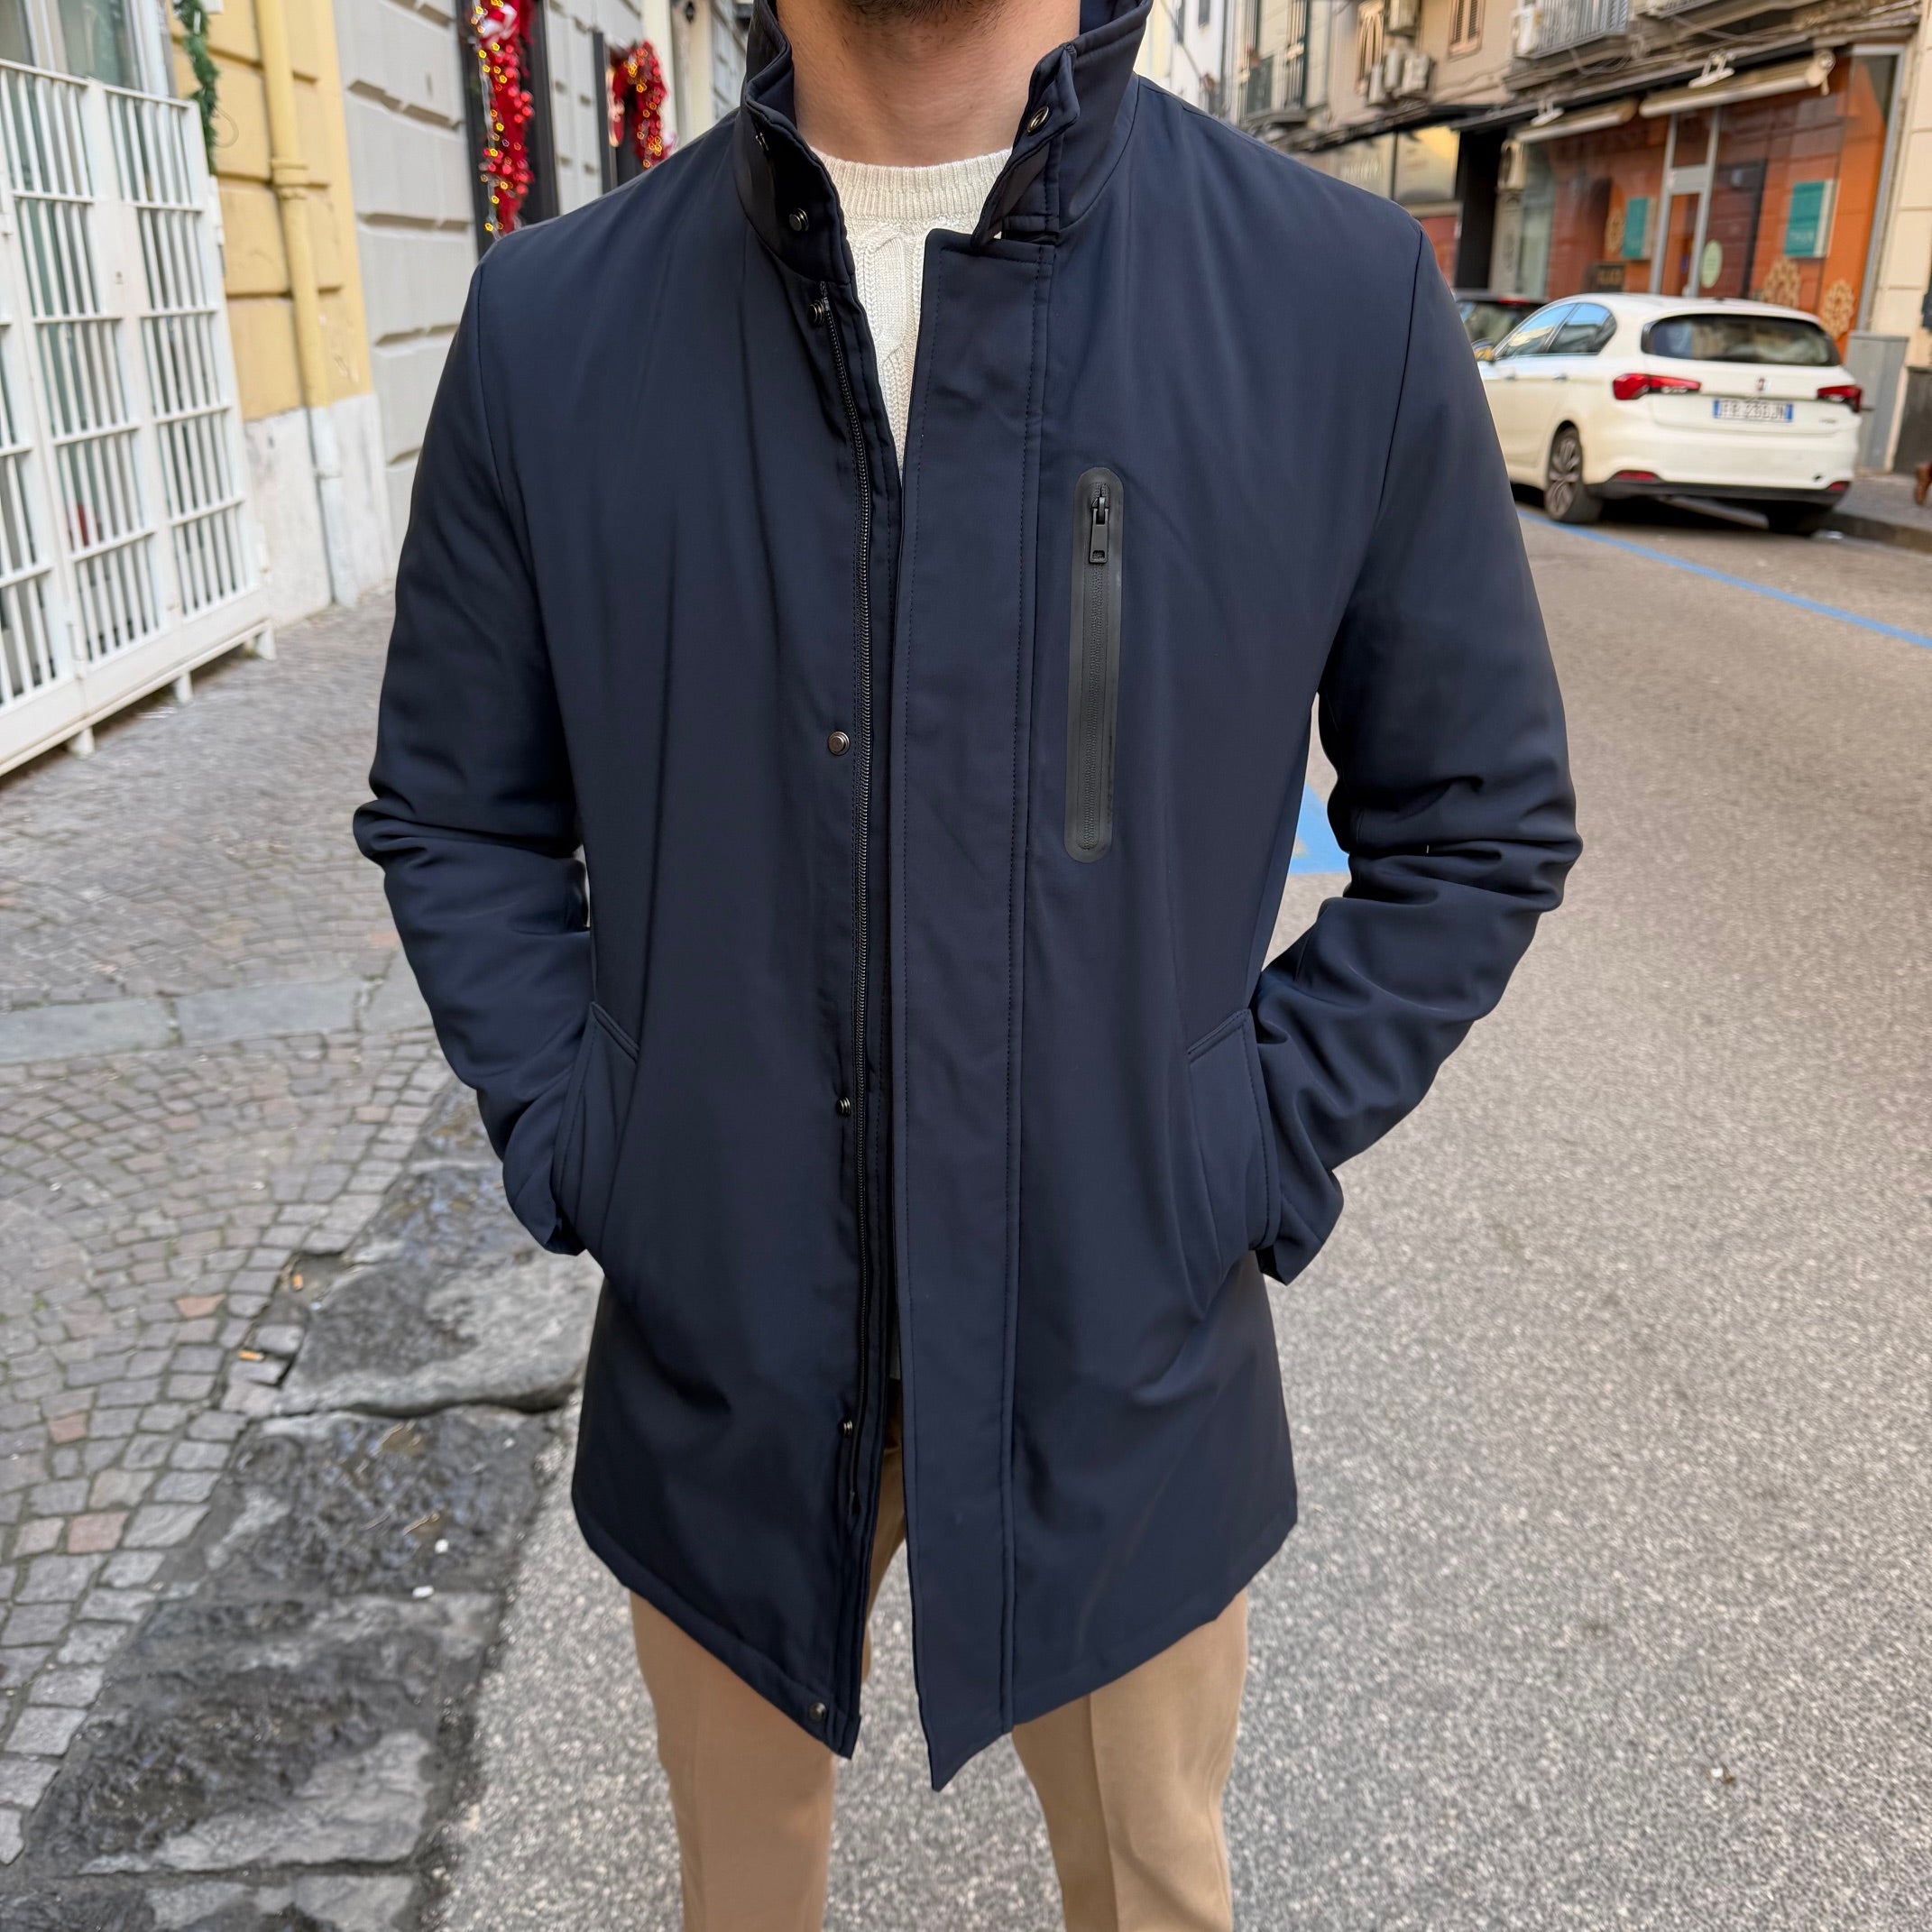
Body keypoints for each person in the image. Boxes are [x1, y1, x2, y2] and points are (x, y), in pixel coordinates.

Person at [354, 0, 1581, 1918]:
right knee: (739, 1890)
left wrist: (1234, 1145)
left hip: (1121, 1350)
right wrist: (596, 1137)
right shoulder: (555, 321)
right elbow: (458, 812)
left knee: (1152, 1881)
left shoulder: (1332, 295)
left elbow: (1478, 815)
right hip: (727, 1342)